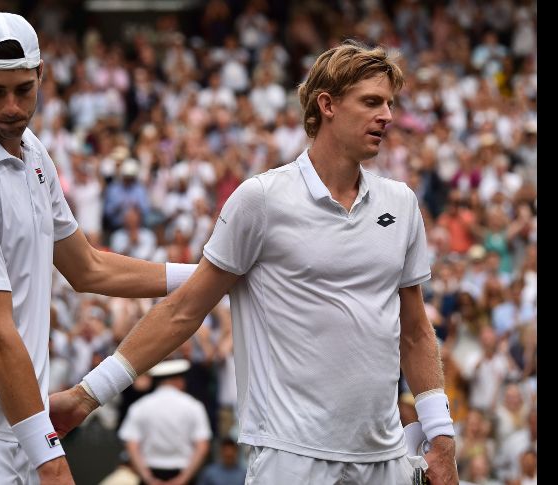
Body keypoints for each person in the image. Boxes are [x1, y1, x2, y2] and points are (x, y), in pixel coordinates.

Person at [51, 40, 459, 484]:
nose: (388, 116)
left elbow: (417, 331)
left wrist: (441, 437)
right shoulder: (261, 200)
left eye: (390, 104)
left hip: (387, 460)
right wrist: (88, 394)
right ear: (327, 105)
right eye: (371, 102)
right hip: (290, 458)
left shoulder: (400, 203)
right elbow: (185, 309)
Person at [0, 12, 195, 485]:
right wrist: (52, 461)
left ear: (42, 75)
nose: (13, 107)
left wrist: (206, 276)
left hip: (20, 424)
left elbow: (90, 267)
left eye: (24, 89)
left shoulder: (32, 151)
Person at [118, 359, 212, 485]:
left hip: (150, 475)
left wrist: (148, 478)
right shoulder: (194, 406)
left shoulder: (140, 406)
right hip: (183, 476)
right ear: (178, 380)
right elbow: (202, 446)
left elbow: (131, 445)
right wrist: (183, 479)